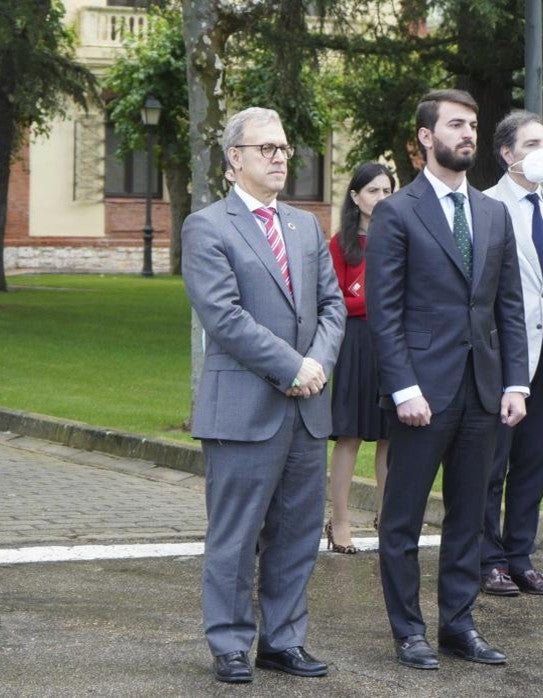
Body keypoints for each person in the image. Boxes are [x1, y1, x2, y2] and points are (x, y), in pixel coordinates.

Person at [366, 89, 529, 670]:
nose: (468, 134)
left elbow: (508, 308)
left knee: (469, 518)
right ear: (425, 138)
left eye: (474, 125)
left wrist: (516, 383)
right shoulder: (397, 212)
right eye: (456, 124)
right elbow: (385, 311)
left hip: (484, 391)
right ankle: (409, 632)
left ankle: (458, 625)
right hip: (421, 396)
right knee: (403, 520)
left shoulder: (493, 214)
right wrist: (403, 387)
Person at [181, 107, 345, 684]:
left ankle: (283, 641)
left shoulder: (304, 226)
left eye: (283, 149)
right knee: (236, 535)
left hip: (307, 409)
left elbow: (333, 306)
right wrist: (291, 365)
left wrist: (318, 363)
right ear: (234, 159)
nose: (280, 158)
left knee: (298, 534)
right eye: (267, 149)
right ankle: (229, 643)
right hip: (243, 411)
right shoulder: (208, 226)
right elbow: (223, 317)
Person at [478, 111, 543, 599]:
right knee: (492, 464)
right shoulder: (486, 205)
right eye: (532, 143)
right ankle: (488, 558)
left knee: (533, 463)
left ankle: (520, 556)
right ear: (507, 153)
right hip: (501, 358)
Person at [325, 163, 395, 554]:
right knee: (349, 434)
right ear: (355, 197)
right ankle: (339, 521)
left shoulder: (401, 239)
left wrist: (371, 304)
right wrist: (374, 303)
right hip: (354, 345)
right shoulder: (342, 244)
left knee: (389, 436)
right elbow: (336, 300)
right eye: (373, 191)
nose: (381, 199)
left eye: (387, 191)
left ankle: (387, 520)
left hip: (391, 346)